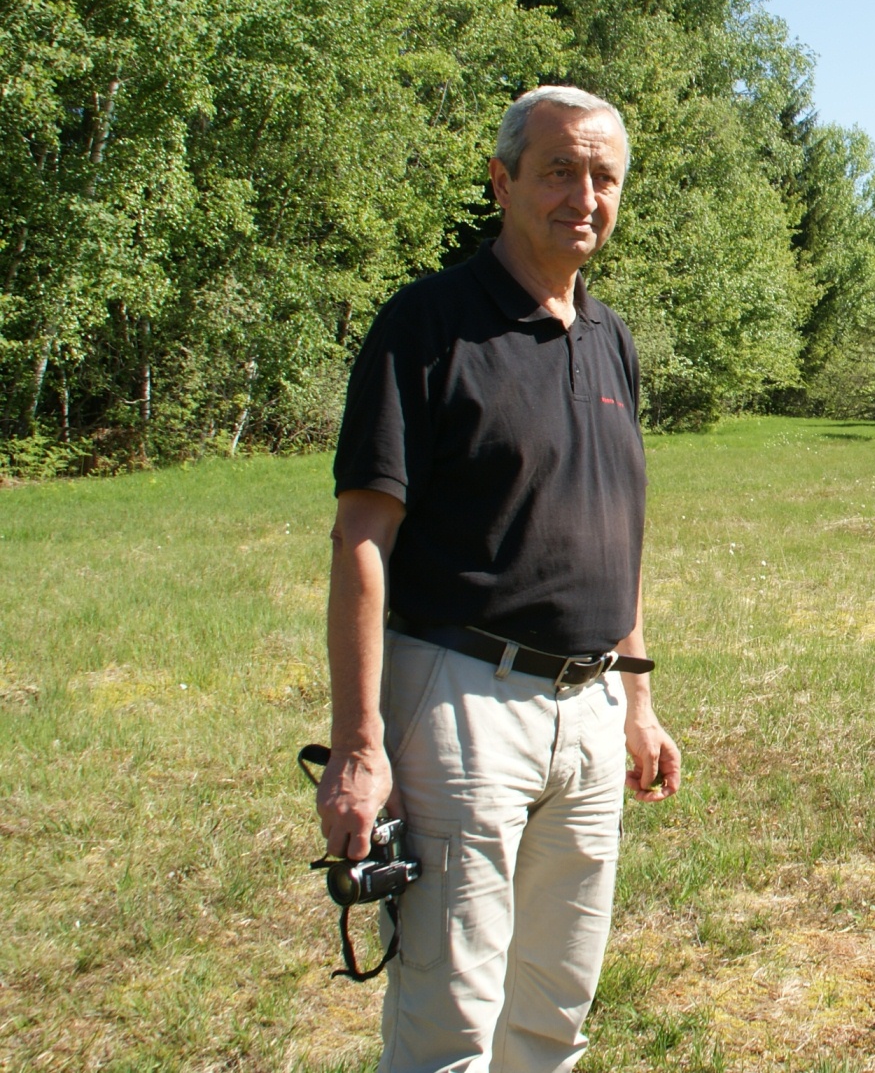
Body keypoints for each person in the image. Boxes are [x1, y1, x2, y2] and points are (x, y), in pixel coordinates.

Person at [317, 85, 682, 1072]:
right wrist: (358, 747)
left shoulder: (609, 338)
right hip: (462, 700)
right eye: (559, 169)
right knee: (449, 1020)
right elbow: (361, 536)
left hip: (591, 710)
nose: (583, 196)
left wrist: (636, 700)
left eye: (603, 176)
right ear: (501, 180)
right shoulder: (427, 325)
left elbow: (613, 531)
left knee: (555, 1011)